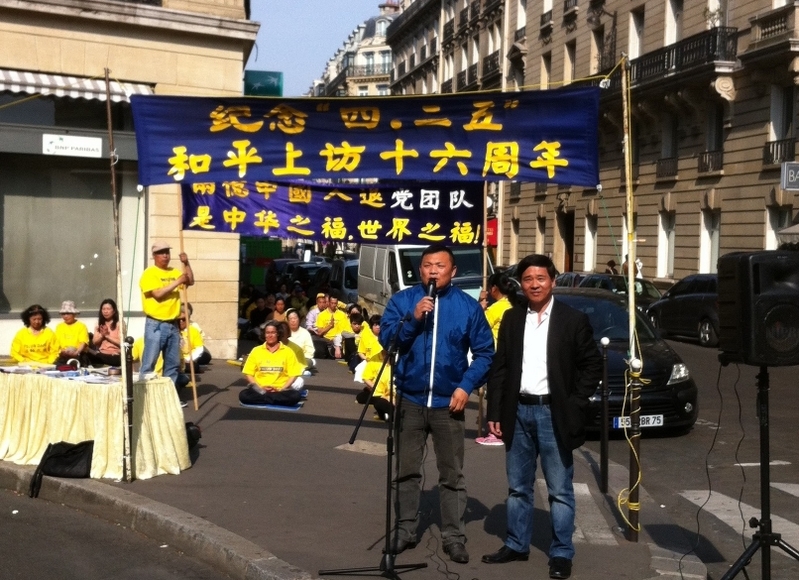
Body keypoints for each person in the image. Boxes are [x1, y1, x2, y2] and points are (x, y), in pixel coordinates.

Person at [481, 254, 602, 580]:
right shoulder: (512, 319)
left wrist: (575, 402)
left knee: (560, 489)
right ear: (521, 283)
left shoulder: (571, 320)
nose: (534, 284)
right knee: (518, 487)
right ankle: (517, 544)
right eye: (528, 279)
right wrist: (494, 411)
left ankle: (562, 553)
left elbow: (593, 365)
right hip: (517, 412)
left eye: (541, 278)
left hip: (554, 413)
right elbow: (501, 368)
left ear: (553, 281)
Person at [380, 244, 494, 564]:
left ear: (453, 271)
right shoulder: (404, 301)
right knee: (405, 470)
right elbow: (388, 341)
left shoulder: (468, 307)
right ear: (420, 271)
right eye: (428, 265)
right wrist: (414, 318)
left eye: (440, 266)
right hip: (410, 400)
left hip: (449, 403)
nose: (433, 271)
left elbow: (486, 353)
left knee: (452, 474)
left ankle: (453, 536)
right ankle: (405, 530)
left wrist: (466, 386)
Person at [138, 240, 194, 387]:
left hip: (173, 324)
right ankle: (144, 396)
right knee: (149, 362)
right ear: (154, 255)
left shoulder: (174, 271)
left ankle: (169, 397)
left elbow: (190, 281)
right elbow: (157, 294)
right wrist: (177, 282)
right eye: (162, 253)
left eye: (167, 252)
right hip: (155, 324)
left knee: (173, 364)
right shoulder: (149, 273)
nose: (165, 256)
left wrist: (187, 263)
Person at [476, 272, 516, 446]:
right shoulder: (515, 305)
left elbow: (479, 325)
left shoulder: (497, 308)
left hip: (497, 356)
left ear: (494, 289)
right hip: (512, 356)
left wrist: (481, 305)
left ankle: (495, 431)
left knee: (495, 393)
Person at [239, 320, 305, 407]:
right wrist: (260, 388)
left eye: (273, 332)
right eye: (267, 333)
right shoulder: (256, 351)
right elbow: (248, 373)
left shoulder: (288, 351)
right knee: (243, 395)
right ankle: (273, 400)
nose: (270, 335)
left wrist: (282, 388)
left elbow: (293, 375)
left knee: (295, 396)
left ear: (278, 334)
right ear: (264, 334)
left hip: (280, 390)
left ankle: (267, 399)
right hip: (260, 390)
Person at [54, 300, 90, 366]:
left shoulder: (81, 326)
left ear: (74, 314)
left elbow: (83, 342)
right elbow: (57, 343)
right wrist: (61, 352)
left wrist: (76, 352)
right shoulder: (59, 326)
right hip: (64, 354)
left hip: (78, 354)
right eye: (63, 314)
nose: (65, 316)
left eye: (68, 313)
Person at [88, 298, 122, 367]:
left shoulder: (120, 324)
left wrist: (107, 336)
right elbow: (95, 342)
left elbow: (121, 342)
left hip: (115, 355)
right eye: (103, 309)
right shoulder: (98, 323)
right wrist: (102, 335)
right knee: (88, 352)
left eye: (108, 309)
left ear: (114, 310)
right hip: (101, 354)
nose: (105, 311)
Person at [316, 295, 348, 359]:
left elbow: (346, 330)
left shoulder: (342, 315)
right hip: (326, 340)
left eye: (335, 303)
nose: (334, 305)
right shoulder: (321, 315)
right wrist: (330, 325)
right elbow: (319, 333)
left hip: (339, 340)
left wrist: (338, 341)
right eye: (332, 303)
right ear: (328, 303)